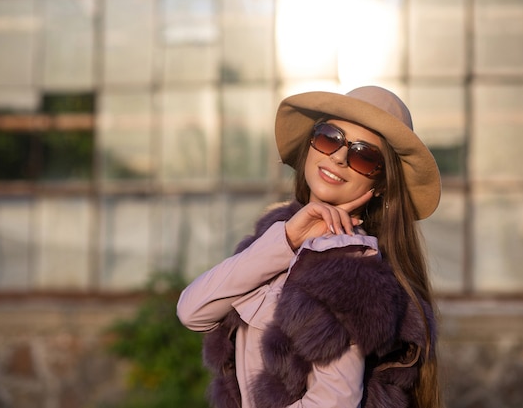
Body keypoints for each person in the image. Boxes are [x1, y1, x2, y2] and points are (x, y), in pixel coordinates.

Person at [177, 86, 442, 408]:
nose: (339, 157)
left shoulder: (348, 267)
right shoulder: (281, 237)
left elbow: (334, 401)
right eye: (330, 137)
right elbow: (193, 312)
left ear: (381, 184)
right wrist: (287, 238)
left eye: (364, 155)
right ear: (312, 144)